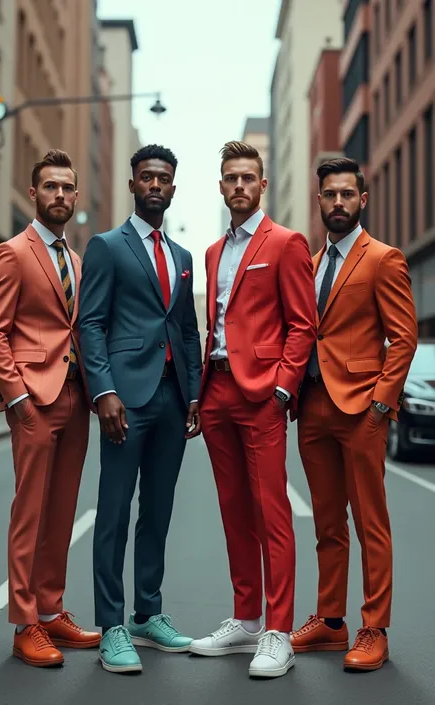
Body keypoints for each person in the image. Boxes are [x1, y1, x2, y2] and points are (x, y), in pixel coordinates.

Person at [189, 141, 316, 679]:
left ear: (262, 185)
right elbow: (217, 324)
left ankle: (278, 631)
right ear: (220, 187)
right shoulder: (213, 252)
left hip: (261, 393)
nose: (239, 185)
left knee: (272, 513)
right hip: (216, 391)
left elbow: (303, 324)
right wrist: (198, 394)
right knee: (234, 510)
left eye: (247, 178)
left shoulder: (286, 243)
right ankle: (245, 618)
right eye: (230, 178)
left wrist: (284, 388)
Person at [79, 144, 202, 674]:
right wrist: (103, 392)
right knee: (113, 513)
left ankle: (146, 613)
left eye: (164, 179)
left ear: (174, 188)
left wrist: (195, 394)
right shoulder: (106, 247)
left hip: (174, 399)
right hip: (124, 401)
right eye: (147, 177)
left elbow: (187, 331)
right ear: (133, 185)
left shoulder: (181, 258)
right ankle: (110, 626)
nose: (155, 185)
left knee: (158, 510)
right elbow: (91, 324)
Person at [291, 158, 418, 672]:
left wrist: (382, 404)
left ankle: (373, 627)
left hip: (361, 408)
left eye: (347, 194)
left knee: (371, 524)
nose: (337, 203)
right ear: (319, 200)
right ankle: (330, 620)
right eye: (329, 195)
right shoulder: (311, 261)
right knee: (327, 524)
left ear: (362, 200)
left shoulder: (384, 259)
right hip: (313, 409)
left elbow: (403, 338)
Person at [0, 149, 100, 668]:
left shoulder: (75, 260)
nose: (59, 196)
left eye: (66, 188)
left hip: (75, 398)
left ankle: (51, 610)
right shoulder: (13, 251)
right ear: (34, 194)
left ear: (75, 196)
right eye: (50, 187)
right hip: (35, 399)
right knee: (29, 513)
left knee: (62, 512)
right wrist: (19, 398)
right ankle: (25, 623)